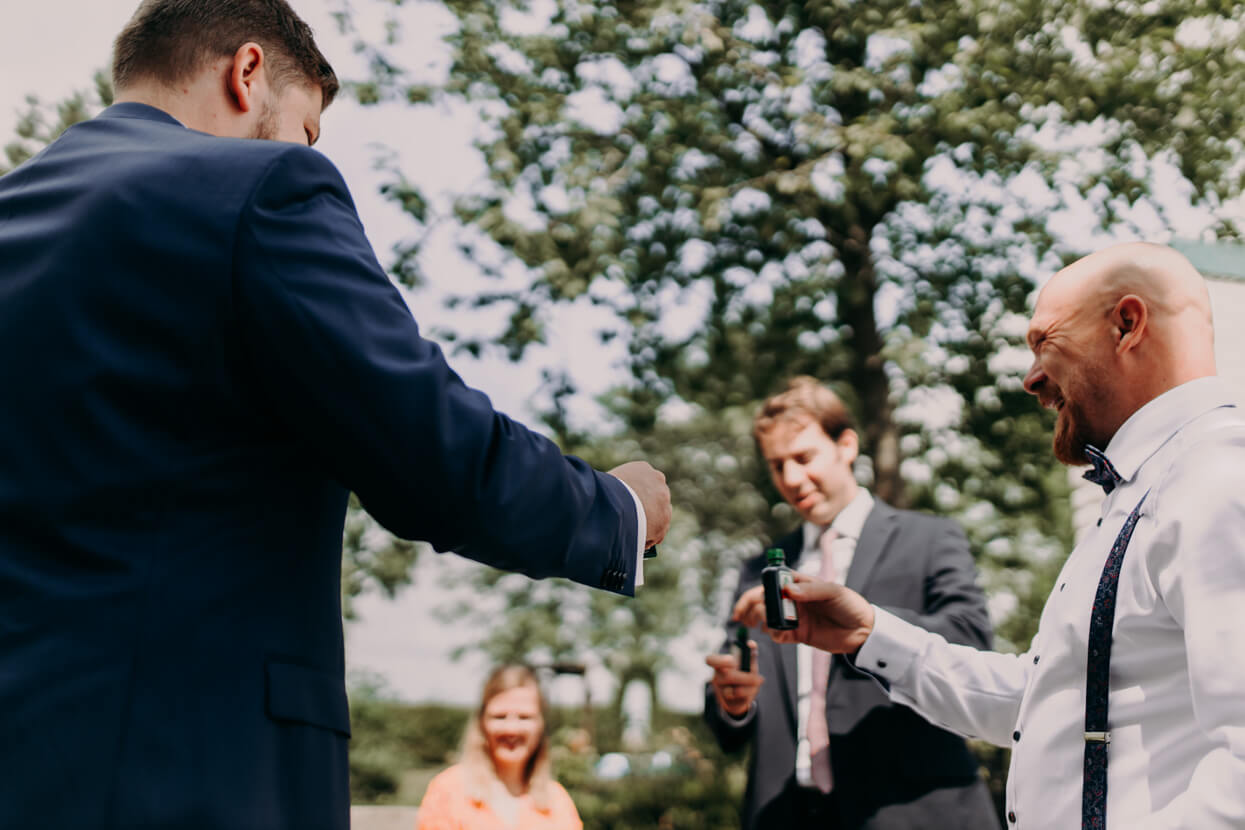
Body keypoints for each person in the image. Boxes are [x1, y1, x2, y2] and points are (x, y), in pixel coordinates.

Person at [0, 2, 671, 828]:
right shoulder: (259, 188)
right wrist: (614, 509)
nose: (306, 151)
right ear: (247, 72)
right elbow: (427, 445)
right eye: (307, 130)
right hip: (200, 773)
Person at [735, 242, 1245, 828]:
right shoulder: (1143, 492)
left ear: (1127, 325)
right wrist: (868, 634)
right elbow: (1040, 701)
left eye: (1044, 342)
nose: (1031, 379)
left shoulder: (1217, 479)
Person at [704, 377, 999, 829]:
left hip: (911, 814)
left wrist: (867, 628)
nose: (791, 479)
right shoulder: (757, 571)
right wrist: (733, 701)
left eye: (804, 458)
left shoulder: (930, 538)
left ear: (846, 445)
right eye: (777, 465)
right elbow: (730, 704)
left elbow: (971, 644)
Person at [416, 665, 582, 830]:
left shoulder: (558, 801)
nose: (511, 729)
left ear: (541, 725)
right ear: (482, 722)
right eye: (500, 717)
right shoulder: (449, 790)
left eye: (524, 717)